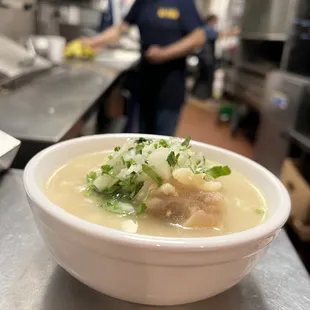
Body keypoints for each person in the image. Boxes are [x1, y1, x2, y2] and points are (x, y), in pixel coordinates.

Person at [82, 0, 205, 136]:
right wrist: (92, 42)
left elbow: (198, 37)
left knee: (163, 142)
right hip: (145, 82)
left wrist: (165, 53)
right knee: (144, 138)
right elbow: (120, 29)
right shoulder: (142, 3)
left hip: (170, 86)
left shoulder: (183, 3)